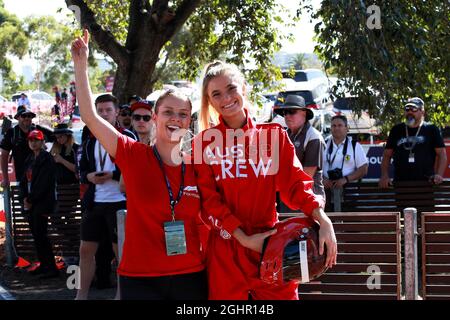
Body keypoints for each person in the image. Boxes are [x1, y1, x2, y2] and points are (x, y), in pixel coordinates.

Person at [71, 30, 207, 300]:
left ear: (188, 121)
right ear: (155, 118)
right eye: (168, 112)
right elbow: (90, 116)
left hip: (191, 275)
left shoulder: (198, 164)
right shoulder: (133, 154)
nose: (175, 119)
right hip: (140, 278)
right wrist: (81, 64)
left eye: (182, 114)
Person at [194, 60, 337, 300]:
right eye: (216, 94)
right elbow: (208, 202)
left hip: (270, 245)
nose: (226, 98)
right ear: (209, 101)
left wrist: (323, 220)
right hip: (226, 251)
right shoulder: (203, 143)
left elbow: (297, 186)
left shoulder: (273, 136)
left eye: (231, 88)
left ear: (244, 88)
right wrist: (244, 238)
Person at [379, 97, 447, 188]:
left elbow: (442, 154)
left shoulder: (431, 129)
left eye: (414, 109)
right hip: (401, 183)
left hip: (426, 183)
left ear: (422, 112)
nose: (410, 112)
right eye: (407, 109)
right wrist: (384, 176)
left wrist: (439, 174)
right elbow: (387, 155)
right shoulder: (396, 130)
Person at [19, 129, 59, 278]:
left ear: (42, 142)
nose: (33, 142)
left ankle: (51, 268)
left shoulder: (47, 159)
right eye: (31, 140)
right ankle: (45, 265)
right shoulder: (30, 159)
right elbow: (24, 181)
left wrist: (30, 199)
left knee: (41, 235)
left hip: (42, 203)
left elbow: (44, 184)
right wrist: (24, 197)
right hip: (32, 202)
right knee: (37, 235)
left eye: (36, 140)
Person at [273, 94, 326, 199]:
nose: (287, 116)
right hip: (288, 196)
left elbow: (306, 176)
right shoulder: (284, 135)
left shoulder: (313, 137)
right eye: (285, 112)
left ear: (304, 113)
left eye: (292, 112)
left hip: (309, 198)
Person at [1, 106, 53, 187]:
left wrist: (51, 152)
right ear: (18, 117)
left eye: (29, 116)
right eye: (24, 116)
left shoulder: (38, 129)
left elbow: (57, 137)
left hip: (41, 176)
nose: (27, 118)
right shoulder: (11, 133)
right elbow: (4, 156)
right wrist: (5, 178)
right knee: (24, 198)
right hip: (22, 177)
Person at [322, 115, 368, 189]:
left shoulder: (355, 146)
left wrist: (346, 179)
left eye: (340, 125)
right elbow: (314, 167)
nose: (336, 128)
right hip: (326, 191)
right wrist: (323, 179)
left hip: (349, 192)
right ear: (330, 128)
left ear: (347, 128)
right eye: (333, 126)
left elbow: (363, 169)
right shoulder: (322, 145)